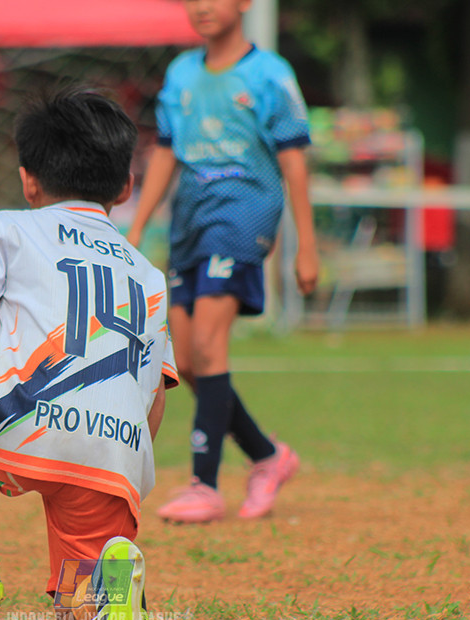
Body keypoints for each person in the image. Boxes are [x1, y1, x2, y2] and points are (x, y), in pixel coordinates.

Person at [0, 87, 179, 620]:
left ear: (29, 180)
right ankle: (111, 590)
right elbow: (155, 404)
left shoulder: (5, 228)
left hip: (24, 424)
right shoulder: (149, 274)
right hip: (116, 451)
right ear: (125, 188)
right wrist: (112, 451)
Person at [126, 0, 319, 523]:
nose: (202, 6)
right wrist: (138, 224)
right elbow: (167, 149)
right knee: (187, 361)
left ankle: (203, 485)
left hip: (244, 215)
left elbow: (294, 161)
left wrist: (307, 242)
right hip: (191, 219)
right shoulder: (181, 73)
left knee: (210, 345)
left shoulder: (269, 74)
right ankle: (268, 457)